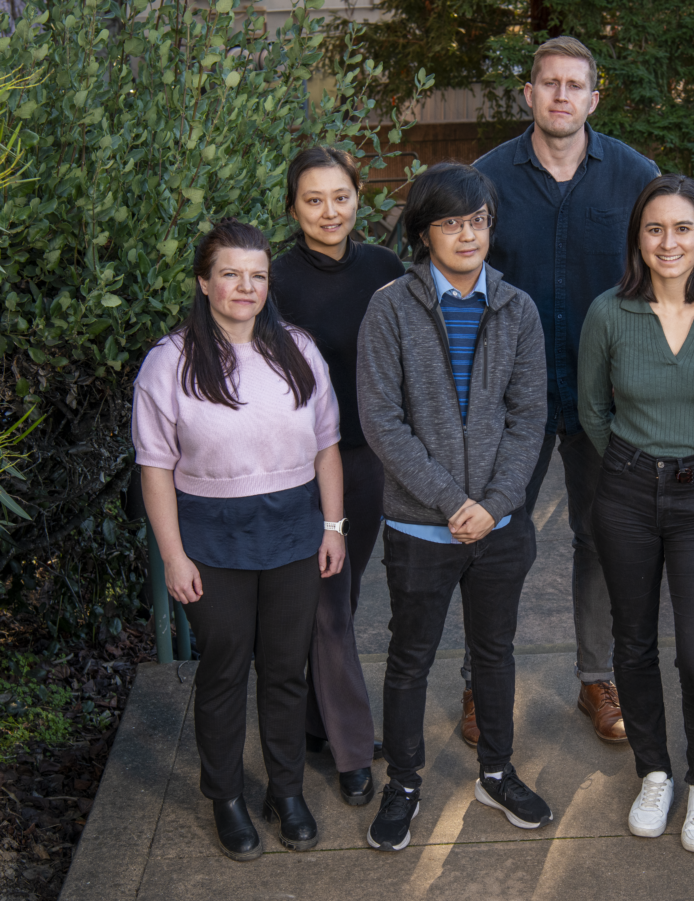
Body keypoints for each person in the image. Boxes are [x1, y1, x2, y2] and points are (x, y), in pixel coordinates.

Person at [133, 219, 347, 861]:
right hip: (209, 537)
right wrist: (173, 555)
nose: (244, 286)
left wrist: (333, 526)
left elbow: (328, 448)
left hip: (293, 532)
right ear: (204, 282)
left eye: (257, 275)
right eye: (230, 273)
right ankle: (225, 795)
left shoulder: (299, 350)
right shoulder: (168, 363)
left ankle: (286, 792)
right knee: (226, 667)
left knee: (285, 669)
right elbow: (155, 468)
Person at [471, 36, 660, 745]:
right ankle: (480, 685)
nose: (559, 95)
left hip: (604, 395)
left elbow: (663, 272)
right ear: (528, 94)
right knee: (496, 538)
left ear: (593, 98)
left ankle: (595, 677)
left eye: (573, 85)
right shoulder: (485, 178)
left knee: (600, 537)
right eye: (547, 83)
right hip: (506, 398)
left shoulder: (637, 176)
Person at [356, 162, 550, 852]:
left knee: (494, 653)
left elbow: (530, 420)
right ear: (423, 231)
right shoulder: (390, 309)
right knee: (410, 657)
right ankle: (404, 782)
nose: (467, 234)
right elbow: (382, 421)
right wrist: (451, 500)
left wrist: (494, 504)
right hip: (419, 523)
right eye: (450, 221)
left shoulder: (517, 309)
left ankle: (496, 771)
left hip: (498, 526)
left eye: (478, 220)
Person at [579, 174, 694, 853]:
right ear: (638, 238)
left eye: (683, 228)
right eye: (654, 228)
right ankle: (654, 770)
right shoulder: (609, 312)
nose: (668, 241)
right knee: (630, 643)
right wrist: (636, 463)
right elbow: (592, 410)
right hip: (625, 492)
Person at [272, 146, 405, 807]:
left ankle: (313, 721)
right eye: (313, 199)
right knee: (328, 603)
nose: (330, 211)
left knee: (342, 594)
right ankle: (353, 747)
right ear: (292, 207)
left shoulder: (386, 269)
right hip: (297, 468)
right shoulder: (271, 280)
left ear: (359, 197)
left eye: (341, 196)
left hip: (365, 459)